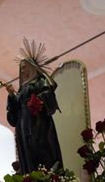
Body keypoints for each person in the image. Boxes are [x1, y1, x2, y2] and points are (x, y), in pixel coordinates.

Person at [6, 39, 63, 174]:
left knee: (40, 145)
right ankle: (31, 176)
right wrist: (11, 95)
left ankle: (46, 176)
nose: (22, 70)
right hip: (23, 124)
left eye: (25, 67)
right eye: (21, 68)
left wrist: (38, 100)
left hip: (38, 121)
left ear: (32, 67)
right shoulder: (21, 88)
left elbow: (50, 89)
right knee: (27, 150)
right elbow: (15, 109)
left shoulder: (40, 81)